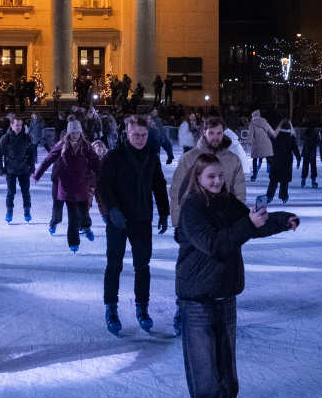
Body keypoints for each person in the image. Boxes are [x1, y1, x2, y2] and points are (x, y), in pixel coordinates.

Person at [175, 153, 299, 398]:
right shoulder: (192, 207)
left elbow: (252, 224)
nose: (217, 181)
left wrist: (282, 220)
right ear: (198, 178)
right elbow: (214, 244)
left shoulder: (226, 201)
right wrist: (248, 224)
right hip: (197, 298)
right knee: (204, 367)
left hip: (225, 293)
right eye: (211, 177)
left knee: (226, 369)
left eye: (220, 176)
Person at [95, 115, 171, 335]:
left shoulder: (151, 156)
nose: (140, 138)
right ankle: (111, 308)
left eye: (143, 135)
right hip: (118, 220)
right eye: (135, 134)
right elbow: (103, 186)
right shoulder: (114, 157)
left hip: (142, 219)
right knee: (114, 265)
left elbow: (159, 185)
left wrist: (164, 213)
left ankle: (142, 307)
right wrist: (112, 210)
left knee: (142, 265)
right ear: (126, 133)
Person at [35, 120, 102, 250]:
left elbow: (95, 162)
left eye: (77, 132)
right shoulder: (62, 145)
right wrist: (38, 174)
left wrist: (102, 175)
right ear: (69, 133)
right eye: (73, 132)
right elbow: (48, 159)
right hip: (67, 186)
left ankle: (86, 227)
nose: (75, 135)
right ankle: (74, 242)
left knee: (84, 211)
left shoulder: (86, 146)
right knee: (73, 216)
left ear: (80, 132)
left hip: (81, 185)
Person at [169, 113, 245, 214]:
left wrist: (238, 216)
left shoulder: (233, 159)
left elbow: (239, 192)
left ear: (223, 133)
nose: (215, 137)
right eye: (211, 133)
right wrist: (177, 219)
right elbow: (177, 191)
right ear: (204, 132)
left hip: (224, 217)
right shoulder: (189, 158)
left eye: (219, 133)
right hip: (196, 217)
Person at [0, 113, 37, 223]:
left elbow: (31, 155)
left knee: (26, 192)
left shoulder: (26, 137)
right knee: (11, 192)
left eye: (20, 125)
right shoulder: (6, 138)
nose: (19, 127)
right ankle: (9, 211)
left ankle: (27, 210)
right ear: (11, 125)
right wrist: (1, 170)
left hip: (24, 170)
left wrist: (32, 169)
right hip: (11, 170)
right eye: (17, 125)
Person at [265, 117, 296, 203]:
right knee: (284, 181)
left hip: (276, 161)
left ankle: (269, 196)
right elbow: (295, 148)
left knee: (273, 181)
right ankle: (284, 197)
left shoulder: (275, 137)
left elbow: (269, 147)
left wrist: (269, 159)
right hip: (286, 162)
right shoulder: (291, 137)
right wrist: (298, 158)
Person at [246, 110, 274, 182]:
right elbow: (270, 132)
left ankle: (254, 175)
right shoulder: (265, 122)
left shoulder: (252, 123)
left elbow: (250, 133)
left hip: (257, 144)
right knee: (269, 159)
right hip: (266, 143)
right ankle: (272, 174)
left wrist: (249, 141)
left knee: (255, 159)